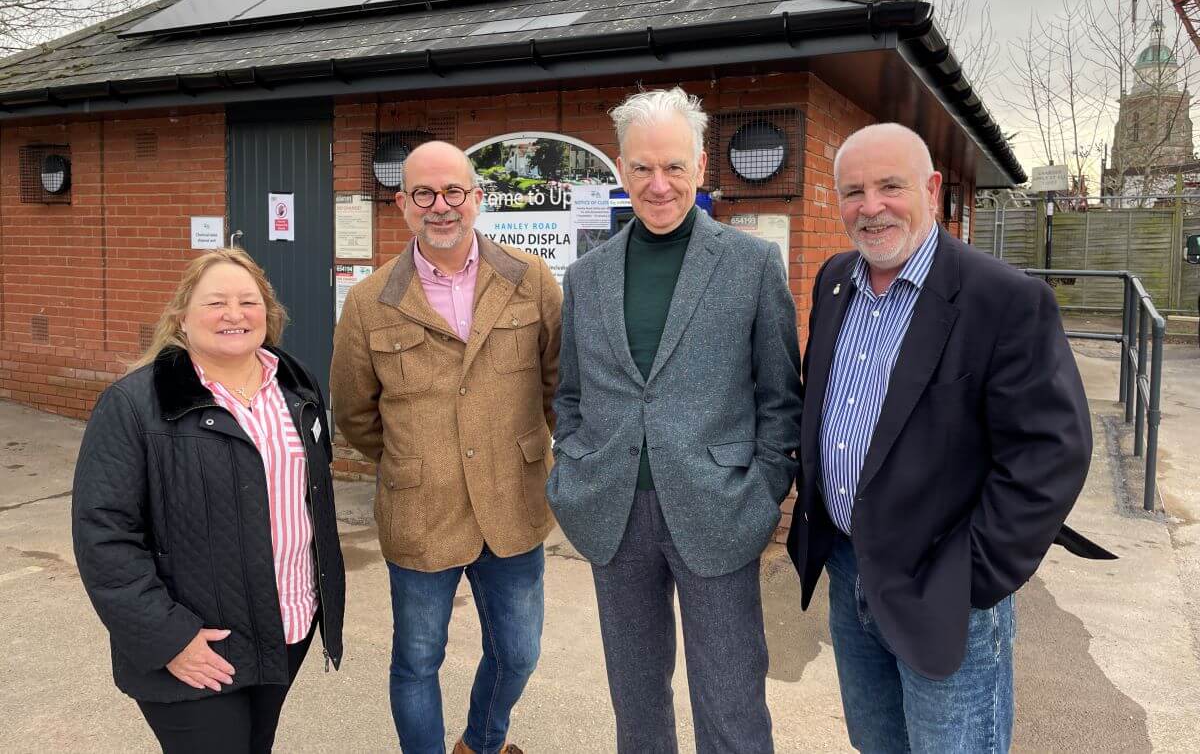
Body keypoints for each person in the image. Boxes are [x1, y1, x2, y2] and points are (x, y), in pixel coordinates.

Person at [786, 122, 1114, 752]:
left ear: (933, 190)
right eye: (852, 191)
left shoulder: (1003, 299)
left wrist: (972, 577)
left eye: (890, 186)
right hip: (850, 569)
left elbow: (1049, 455)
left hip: (944, 585)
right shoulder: (834, 281)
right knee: (877, 744)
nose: (870, 206)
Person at [548, 87, 803, 754]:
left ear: (699, 165)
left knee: (731, 702)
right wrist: (571, 471)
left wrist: (762, 492)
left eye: (673, 167)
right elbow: (569, 394)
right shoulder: (587, 276)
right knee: (636, 702)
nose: (658, 184)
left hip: (719, 512)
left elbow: (781, 395)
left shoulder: (750, 264)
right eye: (641, 168)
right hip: (613, 515)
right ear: (621, 168)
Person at [330, 141, 561, 754]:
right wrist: (415, 458)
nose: (441, 206)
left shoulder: (530, 280)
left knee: (518, 653)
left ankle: (481, 744)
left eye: (454, 191)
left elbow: (557, 384)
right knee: (417, 661)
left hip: (514, 503)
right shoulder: (368, 301)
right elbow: (354, 413)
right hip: (420, 511)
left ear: (477, 198)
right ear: (403, 204)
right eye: (424, 194)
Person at [72, 247, 345, 754]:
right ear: (182, 317)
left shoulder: (294, 384)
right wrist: (168, 637)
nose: (235, 314)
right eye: (216, 302)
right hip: (196, 642)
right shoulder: (135, 404)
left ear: (269, 314)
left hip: (286, 626)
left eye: (249, 301)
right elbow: (103, 536)